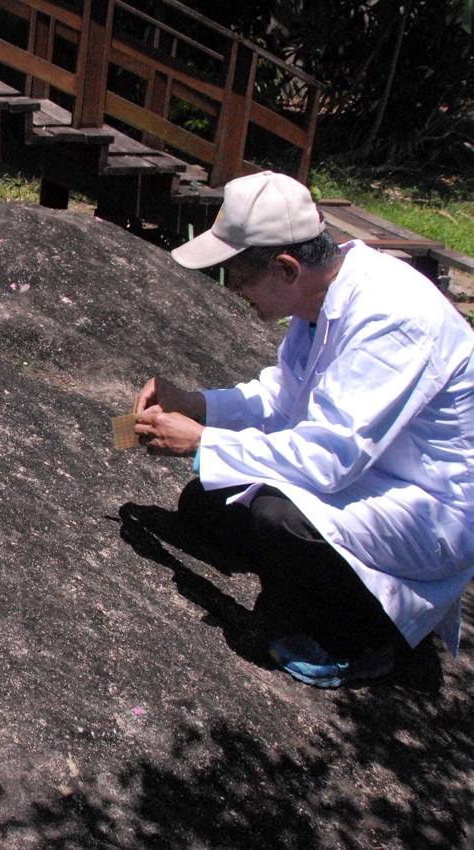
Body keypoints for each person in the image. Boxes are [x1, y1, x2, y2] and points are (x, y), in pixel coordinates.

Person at [133, 170, 474, 688]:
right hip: (370, 470)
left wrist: (204, 441)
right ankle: (308, 584)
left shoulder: (393, 316)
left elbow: (330, 458)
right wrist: (197, 405)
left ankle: (363, 637)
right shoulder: (320, 300)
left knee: (279, 516)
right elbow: (282, 397)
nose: (233, 291)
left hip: (427, 505)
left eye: (237, 277)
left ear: (286, 267)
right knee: (206, 504)